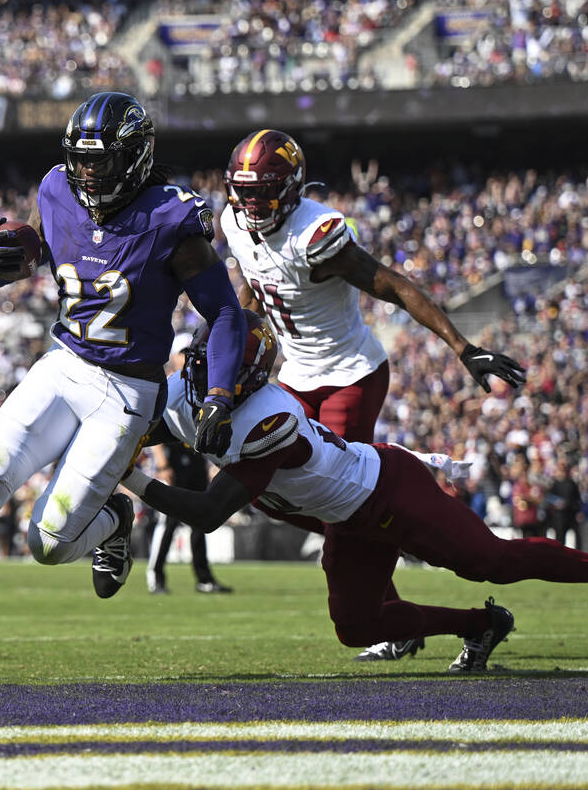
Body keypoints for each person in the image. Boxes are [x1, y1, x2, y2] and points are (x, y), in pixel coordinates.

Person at [0, 92, 247, 681]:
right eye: (80, 160)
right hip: (64, 365)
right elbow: (40, 244)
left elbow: (226, 313)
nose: (86, 173)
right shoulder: (57, 188)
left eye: (100, 161)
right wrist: (5, 254)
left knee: (48, 543)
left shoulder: (172, 218)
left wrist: (219, 397)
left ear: (133, 159)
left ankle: (112, 521)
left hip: (127, 393)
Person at [120, 312, 588, 671]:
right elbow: (136, 420)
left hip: (388, 492)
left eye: (221, 370)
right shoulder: (182, 393)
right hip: (348, 519)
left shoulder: (269, 419)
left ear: (250, 382)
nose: (206, 379)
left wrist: (130, 477)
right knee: (356, 627)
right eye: (203, 363)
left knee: (493, 560)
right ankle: (480, 626)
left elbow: (208, 512)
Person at [218, 129, 526, 661]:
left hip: (349, 374)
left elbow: (394, 285)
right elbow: (250, 284)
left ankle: (402, 540)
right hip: (296, 375)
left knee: (339, 499)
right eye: (242, 191)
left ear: (289, 190)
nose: (250, 204)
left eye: (262, 192)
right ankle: (390, 535)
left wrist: (461, 346)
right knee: (269, 486)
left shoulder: (316, 232)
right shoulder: (234, 223)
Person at [147, 440, 233, 594]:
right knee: (168, 523)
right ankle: (156, 576)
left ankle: (204, 579)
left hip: (195, 459)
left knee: (200, 522)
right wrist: (162, 464)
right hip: (175, 461)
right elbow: (157, 431)